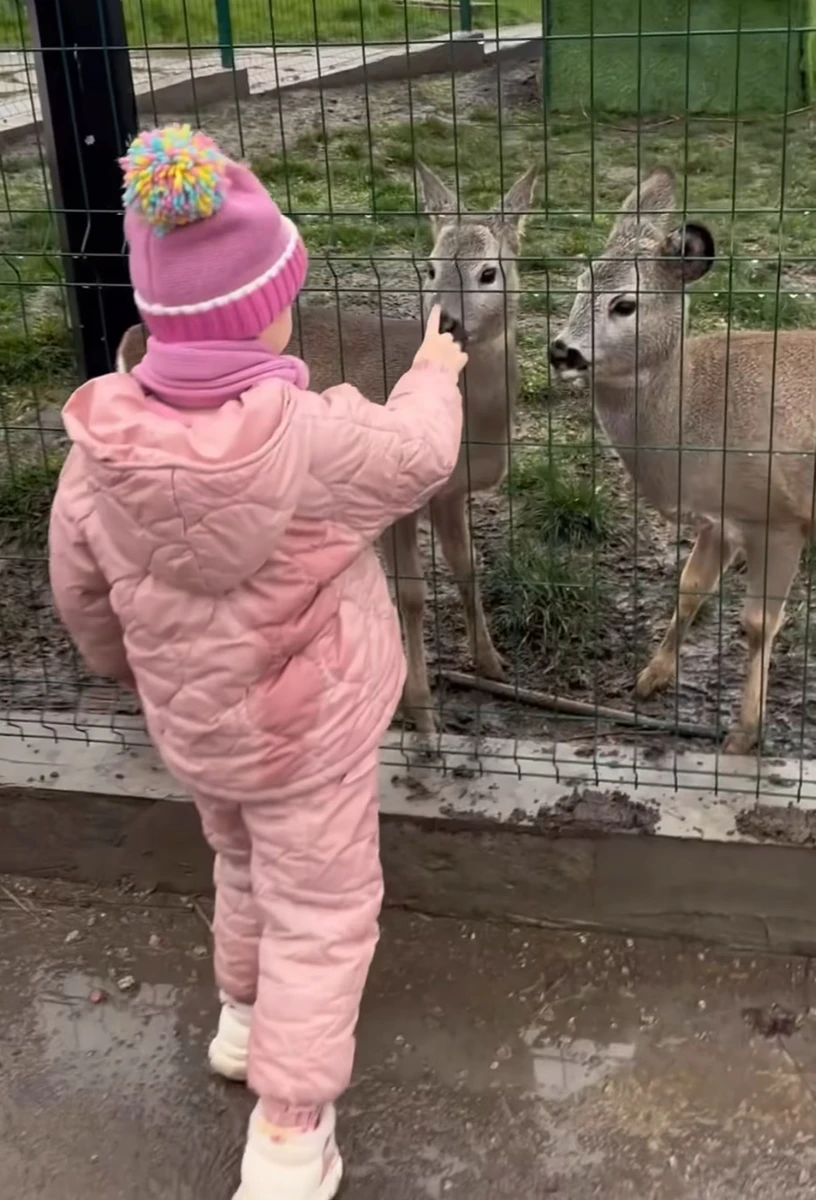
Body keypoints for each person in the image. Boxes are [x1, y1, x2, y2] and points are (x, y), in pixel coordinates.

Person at [48, 124, 466, 1200]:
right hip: (311, 736)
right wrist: (431, 369)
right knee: (322, 911)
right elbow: (420, 455)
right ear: (268, 309)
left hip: (199, 734)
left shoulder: (98, 450)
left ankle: (241, 1021)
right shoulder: (313, 441)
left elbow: (81, 597)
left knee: (240, 865)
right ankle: (289, 1136)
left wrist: (128, 672)